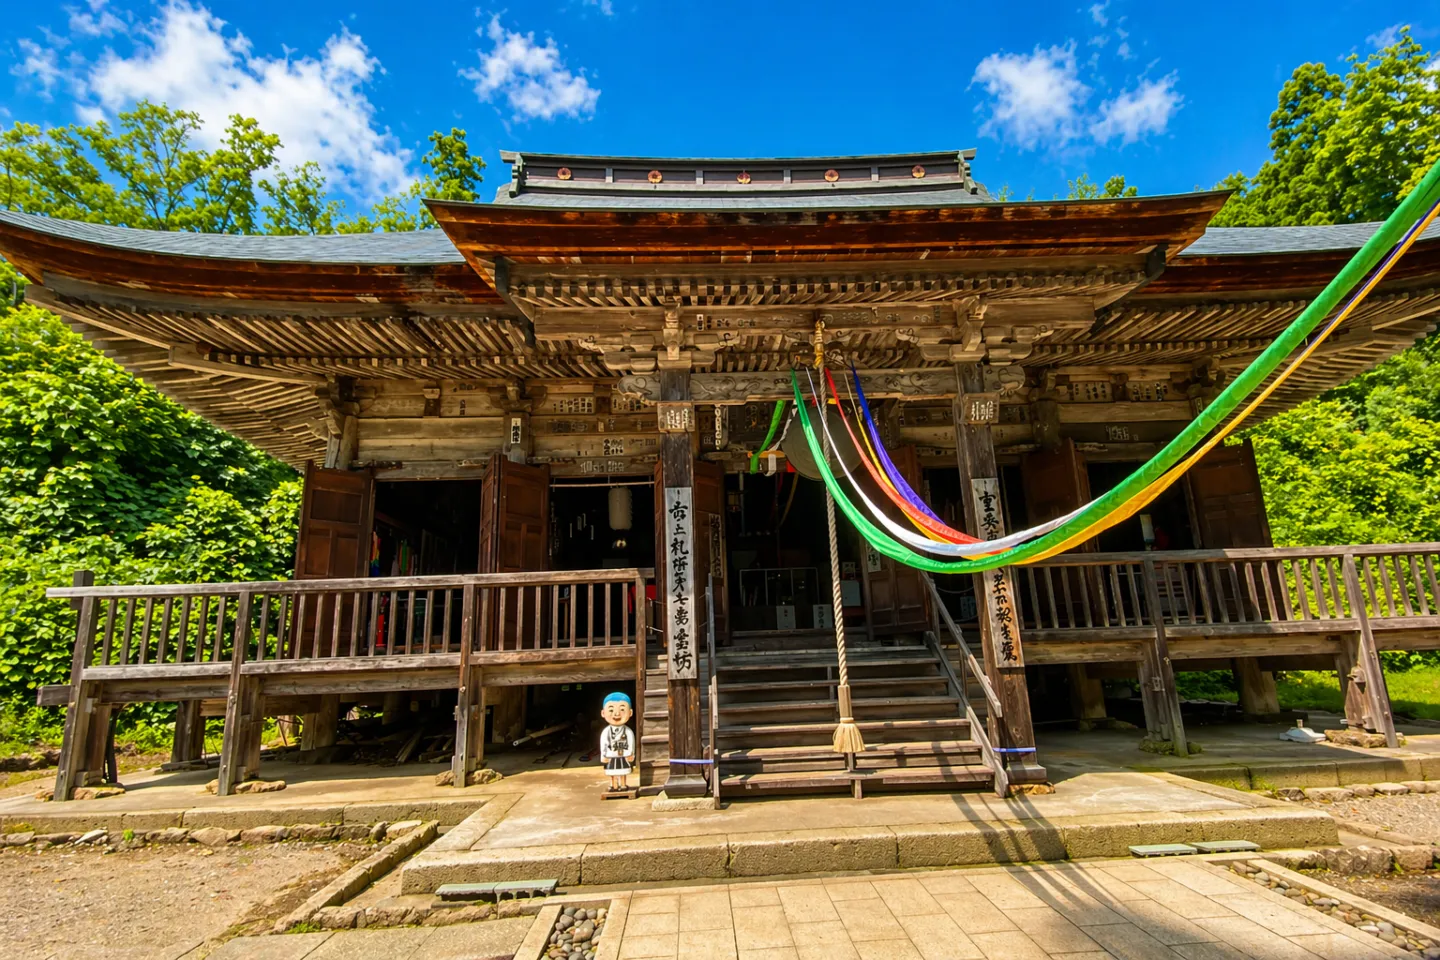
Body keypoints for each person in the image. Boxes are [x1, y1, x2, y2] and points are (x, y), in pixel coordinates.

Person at [599, 692, 636, 792]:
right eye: (611, 710)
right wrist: (603, 755)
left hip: (623, 754)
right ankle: (613, 785)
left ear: (630, 712)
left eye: (622, 709)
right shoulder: (606, 732)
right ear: (603, 713)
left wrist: (631, 753)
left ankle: (623, 784)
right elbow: (603, 744)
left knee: (623, 771)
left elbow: (631, 743)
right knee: (612, 771)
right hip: (610, 755)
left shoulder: (628, 731)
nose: (617, 714)